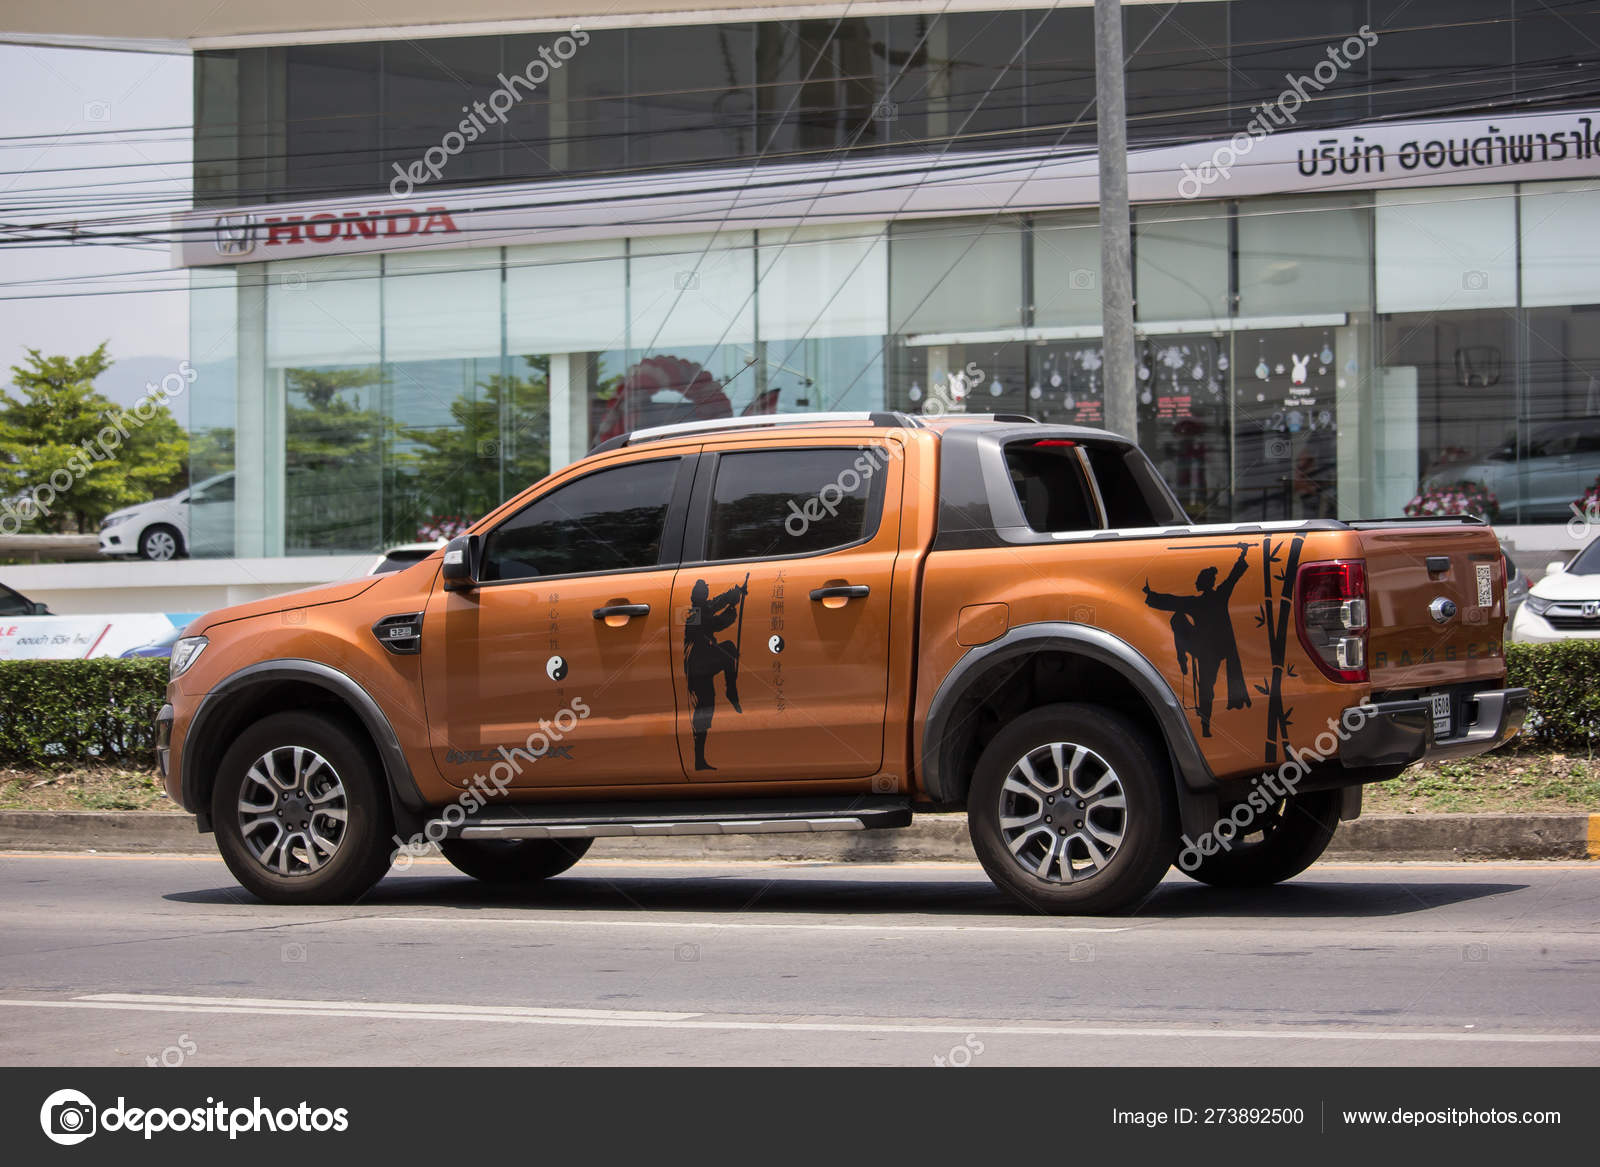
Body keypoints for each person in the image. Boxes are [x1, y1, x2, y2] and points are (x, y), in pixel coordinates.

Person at [1142, 544, 1252, 737]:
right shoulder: (1218, 595)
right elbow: (1233, 576)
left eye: (1198, 580)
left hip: (1209, 650)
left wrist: (1151, 595)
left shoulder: (1199, 601)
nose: (1195, 583)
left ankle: (1206, 724)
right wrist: (1243, 556)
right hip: (1213, 648)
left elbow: (1172, 600)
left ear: (1204, 583)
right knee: (1206, 687)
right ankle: (1205, 724)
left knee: (1206, 688)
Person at [683, 578, 746, 770]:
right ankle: (731, 690)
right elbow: (716, 623)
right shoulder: (692, 614)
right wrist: (732, 609)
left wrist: (732, 593)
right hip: (698, 664)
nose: (705, 596)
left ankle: (700, 760)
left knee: (706, 708)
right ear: (696, 596)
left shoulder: (702, 607)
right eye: (702, 593)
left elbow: (716, 602)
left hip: (704, 661)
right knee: (703, 710)